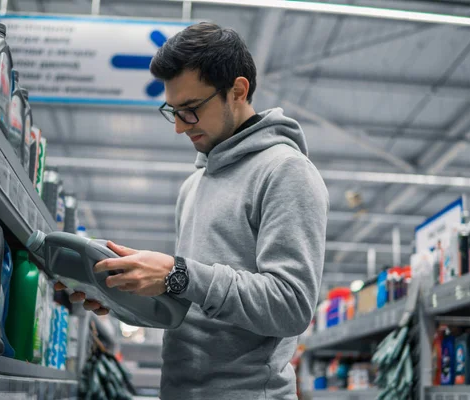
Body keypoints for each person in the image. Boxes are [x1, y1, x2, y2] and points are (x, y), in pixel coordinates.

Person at [57, 22, 329, 400]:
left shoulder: (285, 171)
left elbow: (291, 305)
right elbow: (191, 307)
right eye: (173, 111)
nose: (180, 128)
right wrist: (118, 295)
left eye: (191, 110)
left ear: (238, 90)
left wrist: (178, 273)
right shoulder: (194, 185)